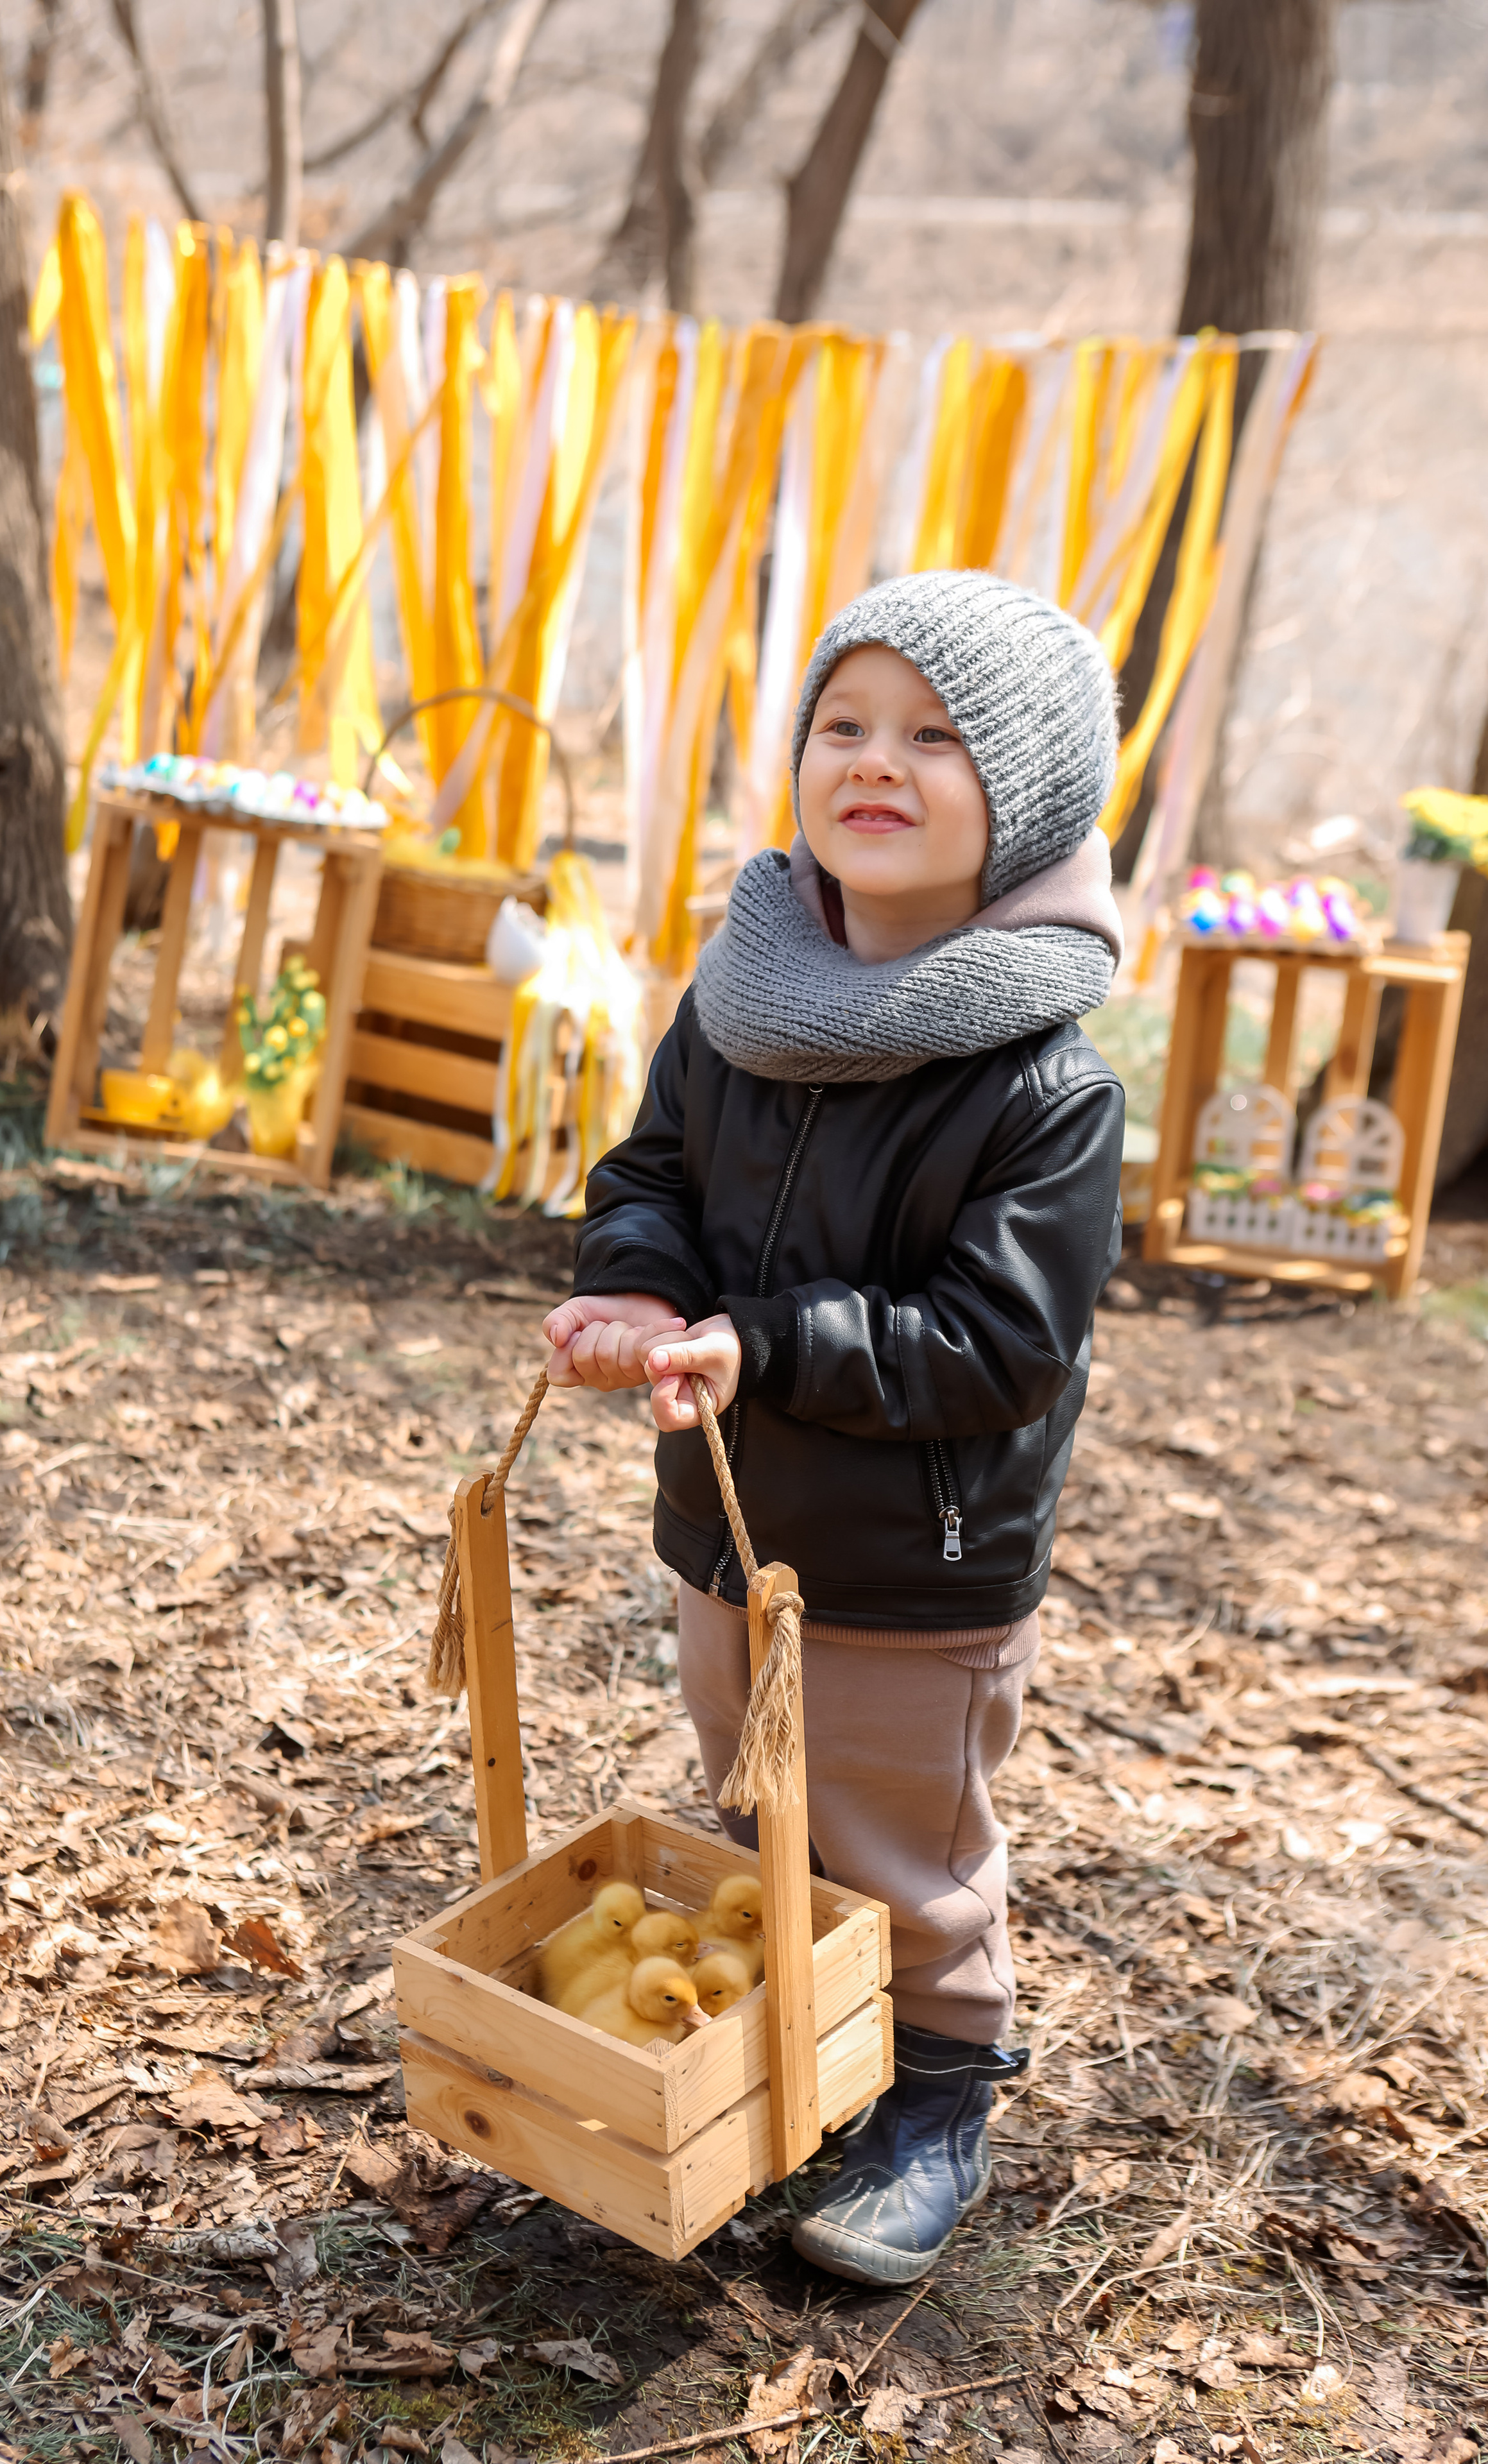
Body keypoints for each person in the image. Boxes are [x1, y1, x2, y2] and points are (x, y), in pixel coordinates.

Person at [542, 569, 1127, 2286]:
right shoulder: (743, 999)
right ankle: (798, 2049)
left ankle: (936, 2096)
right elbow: (652, 1177)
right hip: (733, 1513)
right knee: (759, 1802)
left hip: (915, 1560)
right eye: (844, 724)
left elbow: (998, 1340)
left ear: (1022, 801)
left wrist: (763, 1343)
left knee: (900, 1845)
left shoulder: (1044, 1082)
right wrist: (642, 1290)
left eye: (938, 738)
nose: (878, 760)